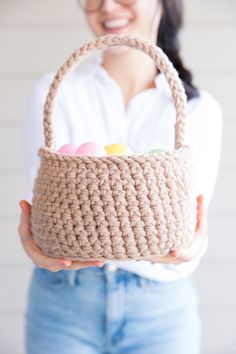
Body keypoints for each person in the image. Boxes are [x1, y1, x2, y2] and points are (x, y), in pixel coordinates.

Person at [18, 0, 223, 353]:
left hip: (160, 308)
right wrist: (38, 242)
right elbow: (47, 204)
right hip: (64, 301)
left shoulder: (196, 109)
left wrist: (194, 246)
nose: (107, 6)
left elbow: (192, 225)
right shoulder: (56, 90)